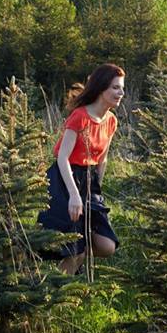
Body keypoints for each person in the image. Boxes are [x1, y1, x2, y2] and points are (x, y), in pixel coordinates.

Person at [39, 64, 125, 274]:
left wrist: (96, 191)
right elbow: (62, 157)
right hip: (64, 178)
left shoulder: (111, 121)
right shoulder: (80, 117)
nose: (121, 93)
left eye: (122, 88)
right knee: (74, 248)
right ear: (101, 88)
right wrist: (74, 195)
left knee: (106, 246)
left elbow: (102, 160)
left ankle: (74, 260)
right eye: (115, 88)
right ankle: (55, 290)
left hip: (89, 180)